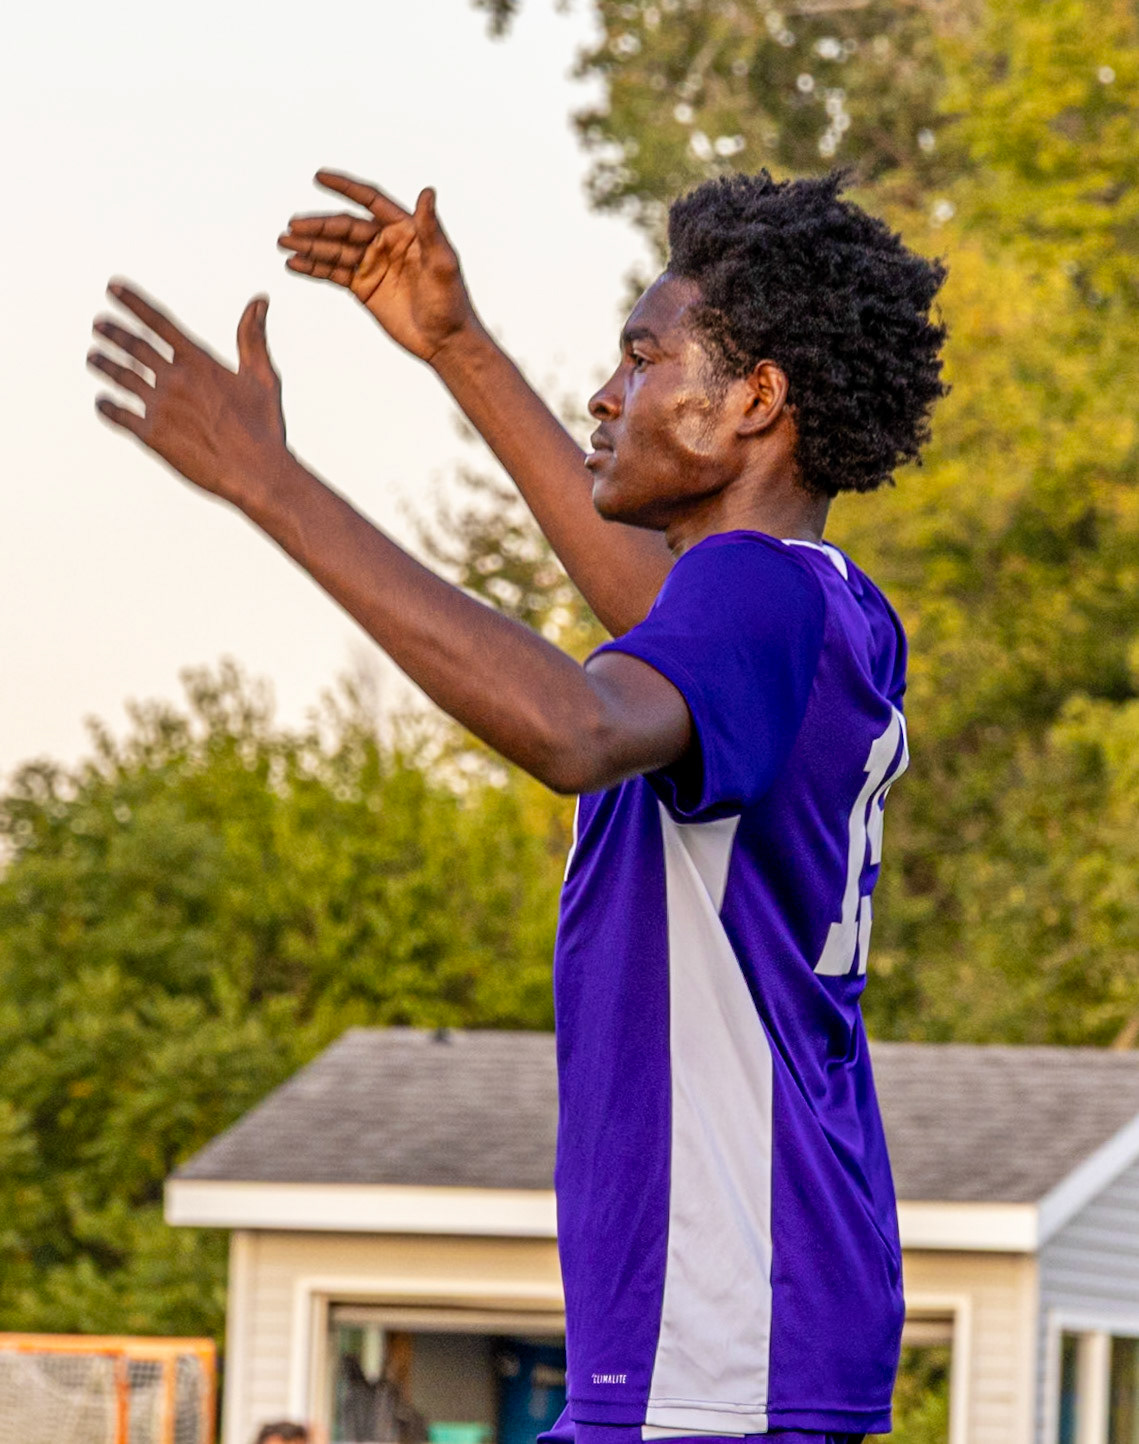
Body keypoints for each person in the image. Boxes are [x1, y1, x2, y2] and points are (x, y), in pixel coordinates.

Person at [87, 166, 947, 1444]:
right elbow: (634, 606)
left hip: (722, 1333)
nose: (606, 393)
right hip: (750, 1315)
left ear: (754, 399)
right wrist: (452, 344)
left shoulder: (755, 601)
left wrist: (268, 482)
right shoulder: (817, 603)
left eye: (642, 358)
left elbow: (570, 726)